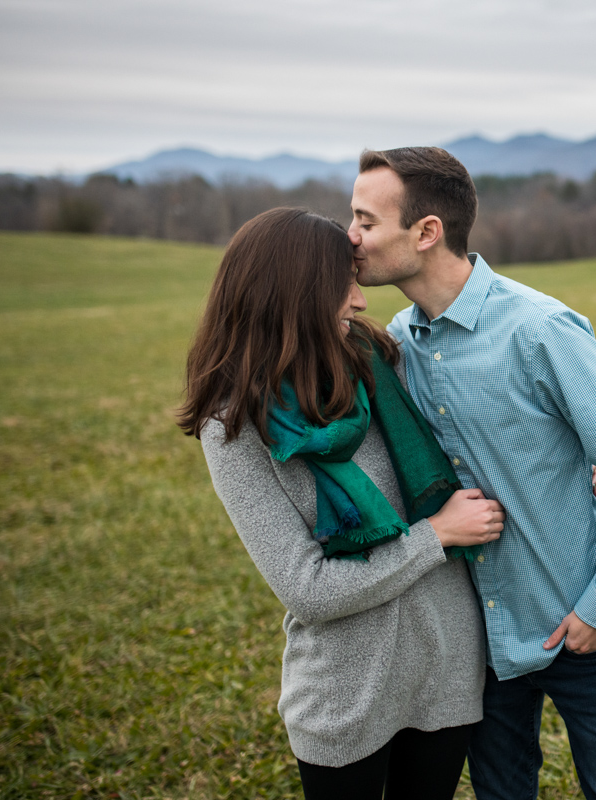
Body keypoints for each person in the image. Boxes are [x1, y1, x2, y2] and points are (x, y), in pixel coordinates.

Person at [348, 147, 596, 800]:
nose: (349, 238)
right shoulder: (398, 346)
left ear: (426, 232)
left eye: (365, 221)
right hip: (482, 641)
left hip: (585, 627)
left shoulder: (541, 331)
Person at [177, 207, 506, 800]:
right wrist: (437, 534)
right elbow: (309, 589)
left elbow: (482, 434)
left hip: (446, 666)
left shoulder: (380, 361)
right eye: (342, 285)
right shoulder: (234, 427)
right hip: (345, 694)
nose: (358, 300)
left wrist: (568, 464)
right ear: (294, 296)